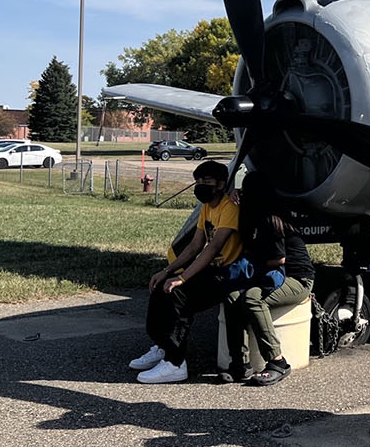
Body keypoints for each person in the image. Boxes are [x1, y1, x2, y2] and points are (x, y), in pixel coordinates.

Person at [130, 159, 252, 383]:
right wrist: (168, 271)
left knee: (179, 295)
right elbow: (195, 246)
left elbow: (213, 248)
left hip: (228, 273)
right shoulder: (207, 208)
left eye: (207, 181)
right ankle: (163, 345)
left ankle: (176, 362)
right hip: (211, 269)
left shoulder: (229, 208)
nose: (201, 186)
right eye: (198, 181)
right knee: (160, 286)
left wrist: (183, 278)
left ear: (221, 184)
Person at [220, 172, 316, 386]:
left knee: (252, 298)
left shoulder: (271, 219)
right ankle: (239, 363)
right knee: (232, 295)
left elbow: (279, 259)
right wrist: (233, 193)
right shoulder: (250, 216)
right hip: (267, 274)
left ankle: (277, 361)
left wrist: (249, 268)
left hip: (296, 278)